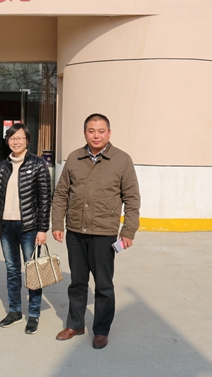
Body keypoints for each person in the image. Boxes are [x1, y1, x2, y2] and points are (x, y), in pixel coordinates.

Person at [52, 113, 140, 349]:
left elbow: (132, 198)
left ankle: (101, 330)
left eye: (101, 131)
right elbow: (61, 194)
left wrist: (128, 230)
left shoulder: (122, 160)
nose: (96, 135)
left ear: (109, 133)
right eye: (91, 131)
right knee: (77, 283)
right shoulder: (74, 158)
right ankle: (75, 324)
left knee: (103, 285)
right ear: (85, 133)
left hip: (104, 233)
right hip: (75, 231)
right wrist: (57, 223)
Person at [0, 123, 52, 335]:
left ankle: (33, 314)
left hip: (29, 227)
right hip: (6, 227)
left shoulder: (38, 164)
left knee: (32, 270)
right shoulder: (2, 166)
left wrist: (42, 229)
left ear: (27, 140)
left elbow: (45, 199)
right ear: (7, 141)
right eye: (12, 138)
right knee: (12, 271)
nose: (16, 142)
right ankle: (15, 311)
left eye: (20, 138)